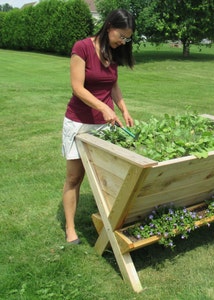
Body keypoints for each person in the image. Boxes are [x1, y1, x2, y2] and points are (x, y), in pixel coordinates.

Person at [62, 9, 135, 244]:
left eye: (127, 38)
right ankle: (71, 228)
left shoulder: (112, 52)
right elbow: (77, 87)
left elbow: (113, 85)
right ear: (109, 26)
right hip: (79, 122)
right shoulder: (82, 47)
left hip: (105, 126)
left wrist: (123, 108)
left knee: (108, 176)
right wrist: (103, 108)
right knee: (75, 178)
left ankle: (107, 221)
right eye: (121, 35)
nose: (123, 41)